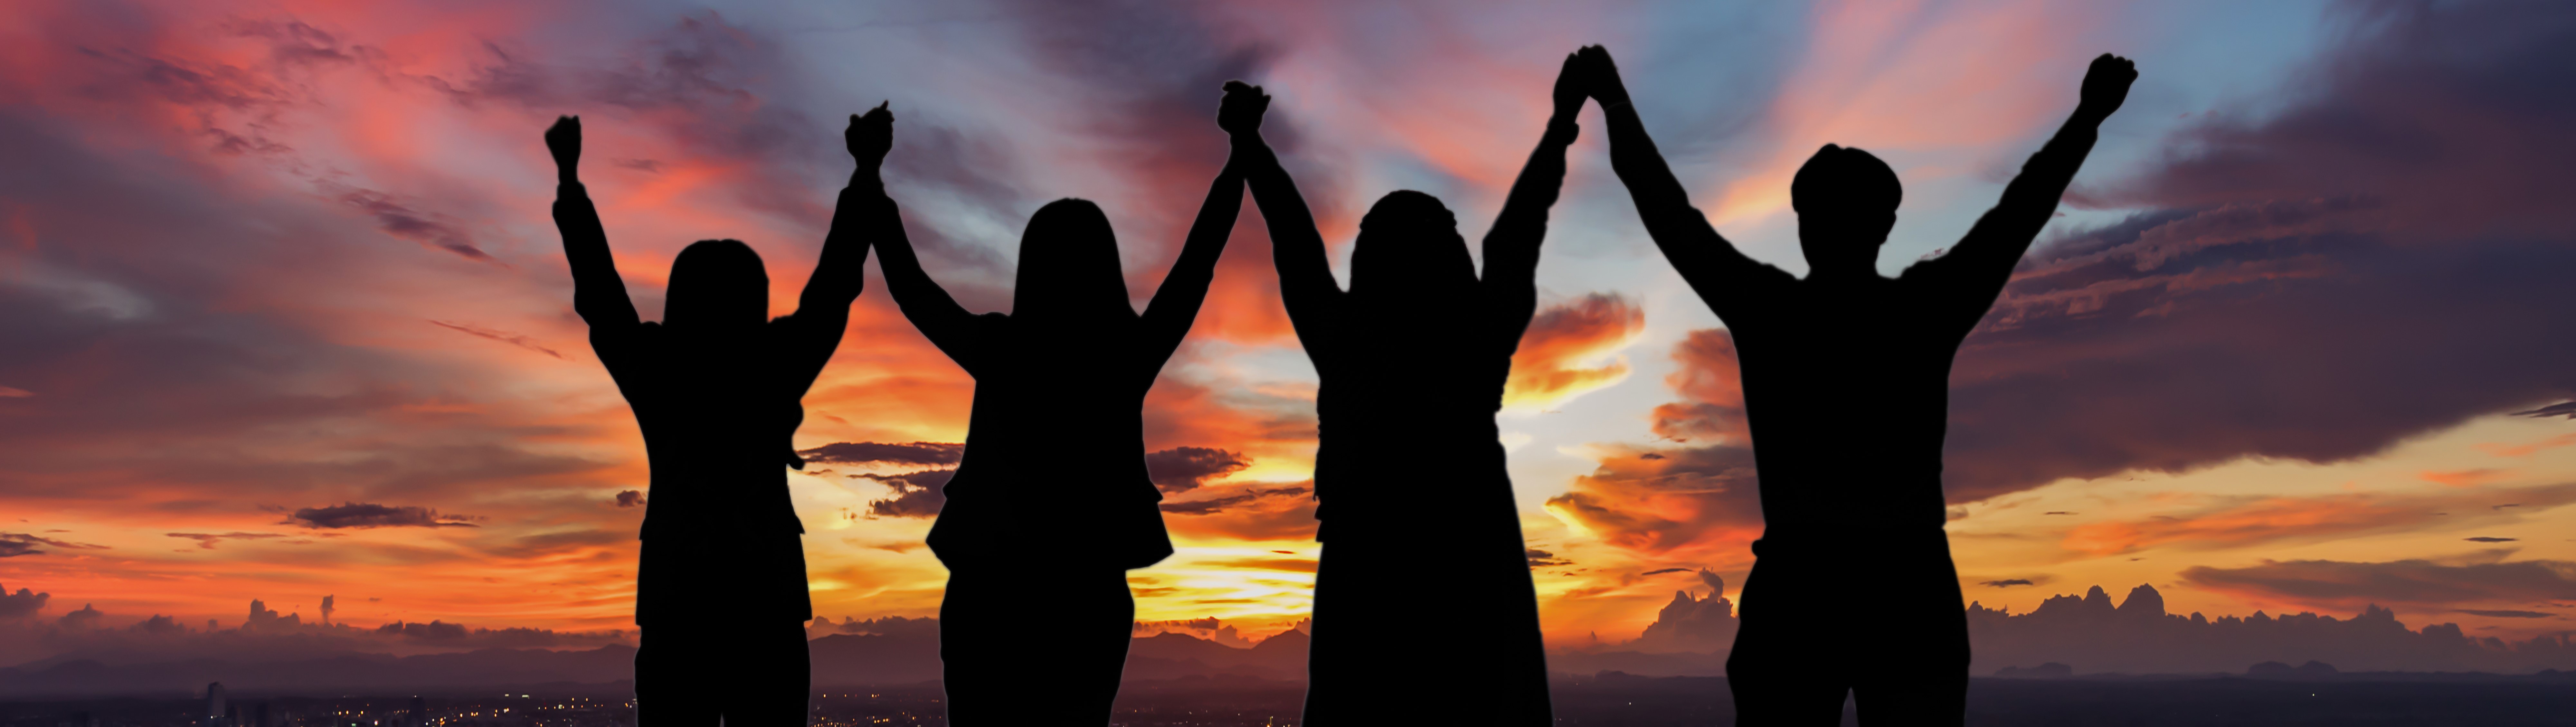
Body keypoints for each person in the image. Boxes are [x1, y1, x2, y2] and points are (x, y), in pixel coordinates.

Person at [1576, 46, 2137, 724]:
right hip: (1899, 587)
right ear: (1887, 227)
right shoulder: (1922, 309)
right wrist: (2087, 117)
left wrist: (1612, 101)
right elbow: (2020, 210)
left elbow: (1666, 210)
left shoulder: (1773, 309)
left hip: (1808, 587)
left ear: (1803, 223)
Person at [867, 88, 1252, 725]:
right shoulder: (1125, 354)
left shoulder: (1001, 348)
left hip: (990, 585)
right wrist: (1240, 156)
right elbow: (1197, 265)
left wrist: (869, 174)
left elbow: (912, 290)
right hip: (1087, 589)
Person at [1232, 52, 1589, 726]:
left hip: (1371, 586)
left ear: (1368, 263)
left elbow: (1296, 246)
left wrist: (1251, 146)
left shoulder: (1346, 340)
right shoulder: (1474, 340)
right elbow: (1516, 238)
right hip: (1471, 582)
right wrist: (1559, 126)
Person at [545, 107, 884, 726]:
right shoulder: (773, 366)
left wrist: (570, 185)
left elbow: (601, 296)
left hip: (681, 607)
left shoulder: (660, 372)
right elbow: (834, 288)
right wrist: (865, 173)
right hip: (765, 606)